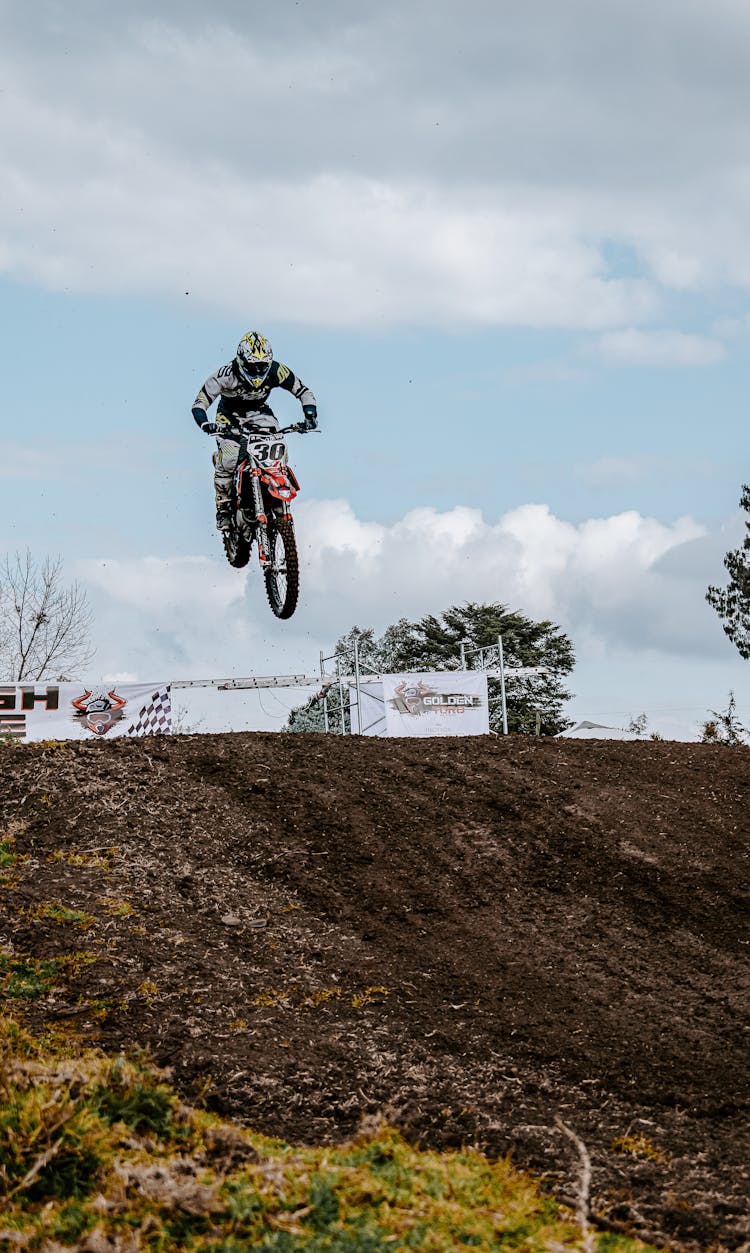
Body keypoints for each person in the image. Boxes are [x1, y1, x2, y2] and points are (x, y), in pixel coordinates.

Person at [192, 331, 318, 529]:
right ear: (241, 361)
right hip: (229, 416)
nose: (258, 373)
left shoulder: (278, 370)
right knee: (230, 457)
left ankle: (275, 490)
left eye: (262, 367)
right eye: (252, 367)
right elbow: (199, 403)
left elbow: (303, 391)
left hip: (259, 414)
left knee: (279, 445)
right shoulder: (225, 375)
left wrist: (310, 414)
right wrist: (205, 423)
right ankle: (224, 506)